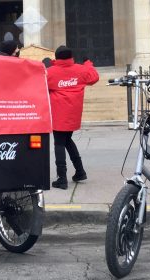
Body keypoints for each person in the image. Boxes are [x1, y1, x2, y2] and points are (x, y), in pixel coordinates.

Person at [47, 46, 99, 189]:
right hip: (73, 113)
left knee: (59, 142)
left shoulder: (51, 72)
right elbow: (94, 77)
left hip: (59, 113)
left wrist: (47, 65)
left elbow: (41, 84)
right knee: (67, 140)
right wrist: (88, 63)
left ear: (57, 57)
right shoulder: (80, 70)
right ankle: (80, 171)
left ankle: (62, 178)